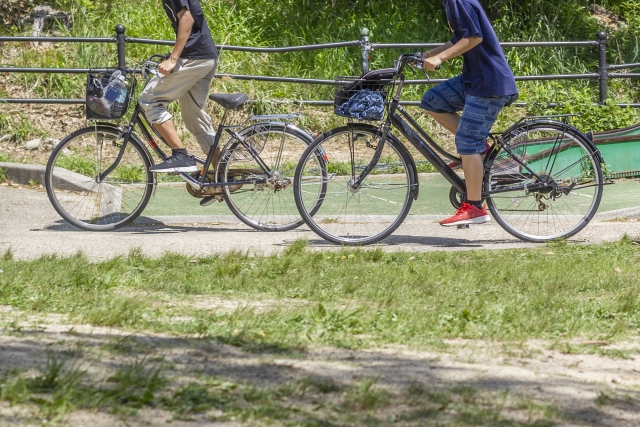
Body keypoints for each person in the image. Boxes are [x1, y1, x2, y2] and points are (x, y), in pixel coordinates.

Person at [419, 0, 518, 227]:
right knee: (432, 101)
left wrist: (440, 58)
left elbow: (473, 38)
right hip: (474, 80)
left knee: (466, 140)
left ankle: (475, 207)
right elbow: (460, 37)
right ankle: (480, 150)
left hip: (489, 84)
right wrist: (427, 54)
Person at [138, 0, 219, 173]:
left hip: (194, 57)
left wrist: (173, 59)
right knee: (194, 117)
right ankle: (223, 175)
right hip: (205, 56)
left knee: (149, 100)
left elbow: (187, 19)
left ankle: (180, 155)